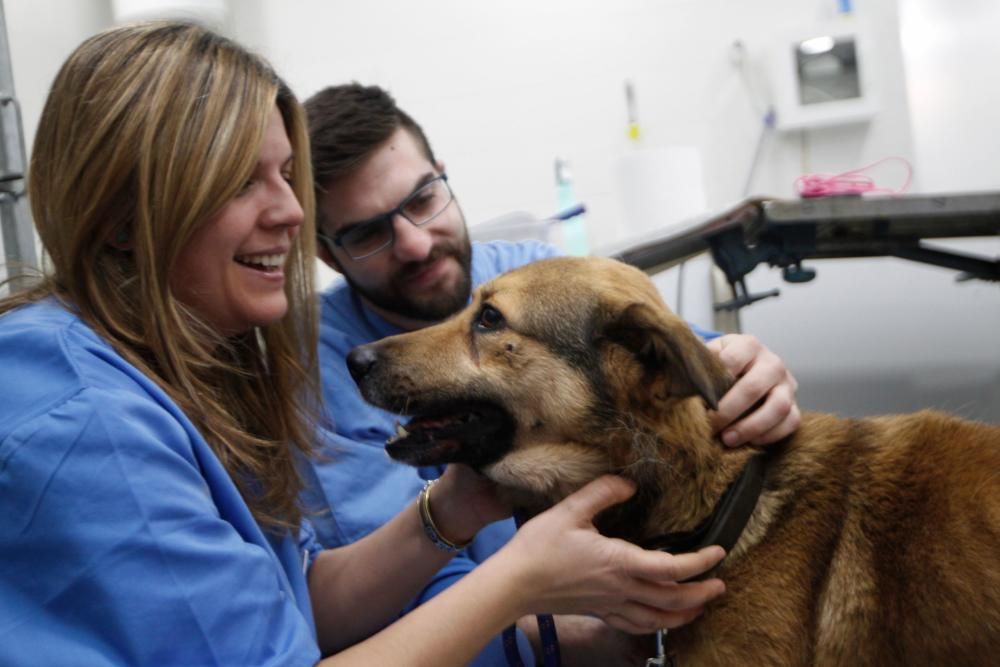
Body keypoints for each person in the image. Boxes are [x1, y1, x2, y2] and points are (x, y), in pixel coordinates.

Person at [0, 22, 732, 666]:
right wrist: (521, 582)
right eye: (238, 182)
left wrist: (453, 509)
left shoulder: (186, 367)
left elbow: (292, 608)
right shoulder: (85, 416)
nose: (290, 213)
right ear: (125, 219)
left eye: (286, 176)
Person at [303, 83, 801, 664]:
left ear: (443, 176)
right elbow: (404, 605)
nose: (414, 244)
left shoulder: (533, 276)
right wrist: (603, 638)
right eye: (368, 233)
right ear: (328, 256)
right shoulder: (320, 373)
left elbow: (677, 371)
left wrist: (753, 375)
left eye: (421, 200)